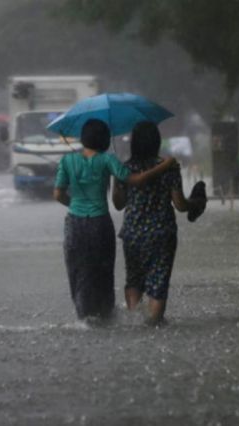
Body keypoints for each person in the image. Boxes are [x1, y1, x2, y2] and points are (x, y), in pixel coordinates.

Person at [53, 119, 177, 321]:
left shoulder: (67, 161)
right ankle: (105, 316)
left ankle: (84, 317)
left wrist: (76, 206)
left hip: (74, 225)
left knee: (78, 271)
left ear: (83, 138)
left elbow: (58, 194)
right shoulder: (107, 160)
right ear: (104, 139)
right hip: (100, 224)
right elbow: (135, 180)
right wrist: (165, 165)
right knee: (103, 272)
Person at [112, 121, 206, 326]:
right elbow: (180, 204)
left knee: (134, 279)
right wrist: (196, 203)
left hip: (133, 233)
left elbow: (118, 205)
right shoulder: (169, 168)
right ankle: (154, 322)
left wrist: (116, 183)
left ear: (134, 143)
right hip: (162, 233)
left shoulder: (125, 169)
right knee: (159, 281)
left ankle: (134, 322)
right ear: (156, 142)